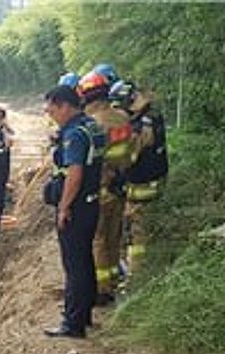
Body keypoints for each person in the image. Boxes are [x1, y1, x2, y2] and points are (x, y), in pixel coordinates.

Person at [42, 84, 106, 338]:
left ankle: (73, 324)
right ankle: (84, 313)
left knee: (74, 266)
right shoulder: (90, 126)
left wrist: (64, 207)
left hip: (76, 208)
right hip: (91, 203)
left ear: (66, 106)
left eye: (53, 110)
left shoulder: (75, 135)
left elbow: (75, 175)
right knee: (84, 261)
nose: (51, 115)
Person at [78, 70, 134, 306]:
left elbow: (87, 160)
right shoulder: (122, 118)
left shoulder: (94, 124)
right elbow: (130, 154)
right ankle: (111, 281)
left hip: (100, 189)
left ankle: (101, 289)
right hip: (120, 186)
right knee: (113, 237)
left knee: (98, 240)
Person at [114, 82, 168, 276]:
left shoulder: (140, 127)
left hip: (142, 185)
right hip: (154, 178)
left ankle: (137, 274)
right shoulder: (153, 116)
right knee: (142, 228)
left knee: (137, 232)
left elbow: (130, 158)